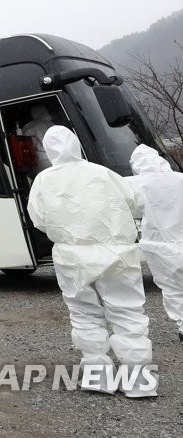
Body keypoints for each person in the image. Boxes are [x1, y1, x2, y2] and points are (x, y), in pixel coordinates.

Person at [27, 126, 156, 397]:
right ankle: (139, 382)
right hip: (116, 251)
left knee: (84, 314)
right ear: (77, 145)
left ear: (49, 151)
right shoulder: (104, 173)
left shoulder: (43, 179)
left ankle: (99, 378)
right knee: (127, 312)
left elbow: (37, 218)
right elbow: (135, 203)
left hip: (72, 255)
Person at [126, 144, 183, 343]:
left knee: (173, 289)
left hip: (158, 247)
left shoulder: (135, 184)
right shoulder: (180, 179)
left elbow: (131, 208)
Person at [22, 106, 56, 170]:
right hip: (57, 157)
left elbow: (25, 145)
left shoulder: (29, 127)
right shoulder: (52, 124)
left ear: (33, 113)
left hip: (42, 161)